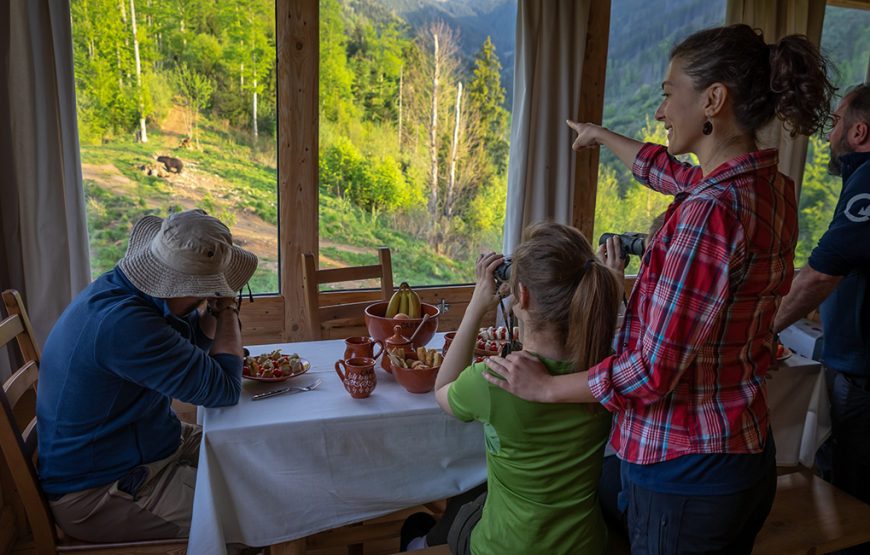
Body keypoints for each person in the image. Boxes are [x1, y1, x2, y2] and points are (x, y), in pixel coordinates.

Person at [482, 24, 836, 553]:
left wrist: (547, 388)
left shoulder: (708, 215)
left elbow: (652, 372)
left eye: (670, 93)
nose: (661, 110)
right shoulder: (767, 188)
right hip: (740, 452)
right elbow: (669, 173)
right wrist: (601, 136)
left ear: (714, 99)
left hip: (685, 470)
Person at [37, 209, 258, 542]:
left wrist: (212, 308)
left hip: (151, 444)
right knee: (254, 516)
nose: (207, 296)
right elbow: (225, 389)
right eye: (204, 290)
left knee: (257, 462)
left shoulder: (129, 294)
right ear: (183, 285)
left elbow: (192, 344)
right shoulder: (126, 325)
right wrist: (227, 308)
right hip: (100, 492)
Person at [426, 223, 621, 554]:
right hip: (584, 545)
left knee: (460, 518)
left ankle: (420, 540)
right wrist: (612, 281)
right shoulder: (605, 376)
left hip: (506, 546)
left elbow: (442, 388)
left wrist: (478, 302)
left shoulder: (492, 380)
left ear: (523, 296)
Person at [773, 84, 870, 543]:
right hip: (853, 364)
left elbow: (818, 276)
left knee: (849, 490)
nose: (828, 133)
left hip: (862, 376)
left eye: (835, 122)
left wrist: (757, 328)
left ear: (859, 130)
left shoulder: (868, 182)